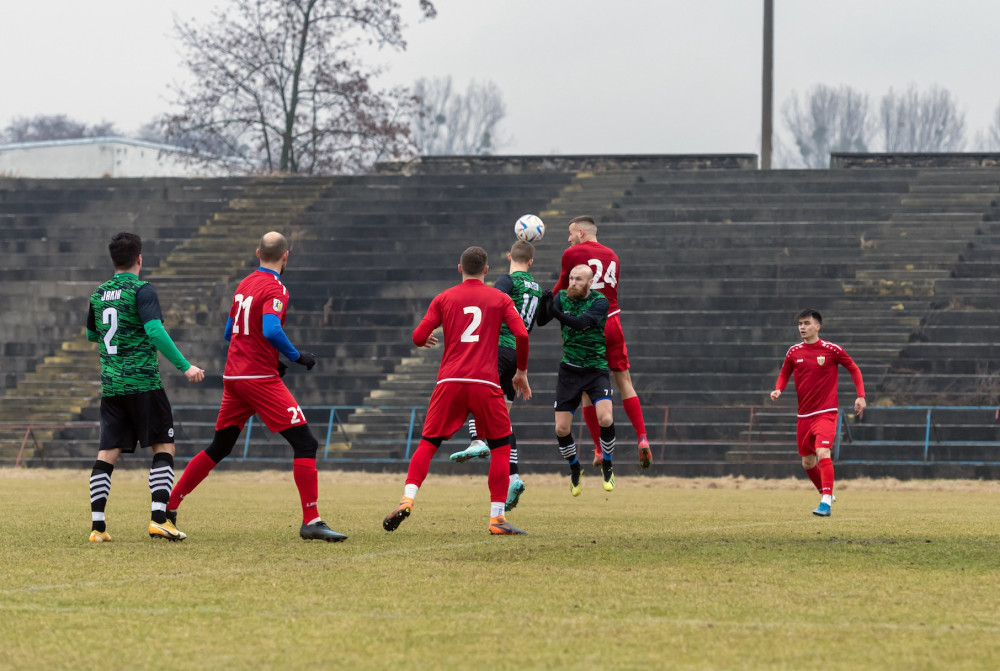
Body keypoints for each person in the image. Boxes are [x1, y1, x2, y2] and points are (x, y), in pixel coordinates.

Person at [166, 231, 347, 542]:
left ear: (257, 253)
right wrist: (296, 356)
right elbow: (271, 328)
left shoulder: (244, 284)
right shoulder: (275, 288)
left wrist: (267, 357)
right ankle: (312, 520)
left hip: (235, 376)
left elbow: (229, 332)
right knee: (306, 443)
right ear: (286, 256)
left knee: (219, 446)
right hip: (257, 379)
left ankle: (167, 508)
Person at [383, 246, 532, 536]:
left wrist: (425, 340)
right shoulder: (499, 298)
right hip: (486, 383)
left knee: (428, 443)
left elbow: (417, 337)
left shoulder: (444, 298)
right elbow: (522, 334)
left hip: (449, 382)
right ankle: (497, 519)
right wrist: (521, 372)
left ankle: (407, 499)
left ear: (459, 268)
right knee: (501, 446)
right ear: (487, 271)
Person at [86, 231, 205, 543]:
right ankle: (158, 520)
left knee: (107, 452)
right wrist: (186, 366)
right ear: (139, 258)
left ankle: (98, 527)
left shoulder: (98, 294)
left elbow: (91, 335)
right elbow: (153, 329)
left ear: (113, 260)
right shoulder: (143, 290)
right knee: (163, 446)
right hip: (143, 383)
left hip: (111, 386)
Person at [448, 239, 544, 512]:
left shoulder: (506, 281)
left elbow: (488, 300)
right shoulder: (536, 288)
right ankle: (513, 477)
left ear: (508, 256)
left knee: (473, 391)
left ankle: (477, 440)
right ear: (532, 262)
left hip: (497, 348)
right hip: (518, 355)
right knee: (502, 421)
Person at [552, 215, 651, 470]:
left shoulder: (572, 254)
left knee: (587, 389)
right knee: (625, 382)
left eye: (571, 233)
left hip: (588, 326)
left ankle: (598, 448)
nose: (569, 238)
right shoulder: (613, 255)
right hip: (613, 320)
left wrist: (544, 305)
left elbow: (562, 288)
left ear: (582, 233)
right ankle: (642, 437)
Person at [770, 309, 866, 517]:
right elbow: (785, 372)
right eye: (800, 324)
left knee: (823, 453)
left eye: (806, 323)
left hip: (826, 412)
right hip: (804, 415)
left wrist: (861, 395)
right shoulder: (793, 352)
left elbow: (854, 369)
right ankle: (826, 492)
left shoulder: (832, 350)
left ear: (817, 326)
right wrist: (779, 388)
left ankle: (825, 503)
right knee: (807, 463)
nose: (802, 327)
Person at [537, 264, 617, 494]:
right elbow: (542, 321)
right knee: (561, 429)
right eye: (571, 278)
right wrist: (545, 304)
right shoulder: (562, 297)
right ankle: (575, 468)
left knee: (605, 417)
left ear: (590, 282)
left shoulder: (600, 302)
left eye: (579, 279)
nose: (572, 283)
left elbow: (581, 324)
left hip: (595, 370)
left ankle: (608, 465)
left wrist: (556, 312)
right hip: (569, 371)